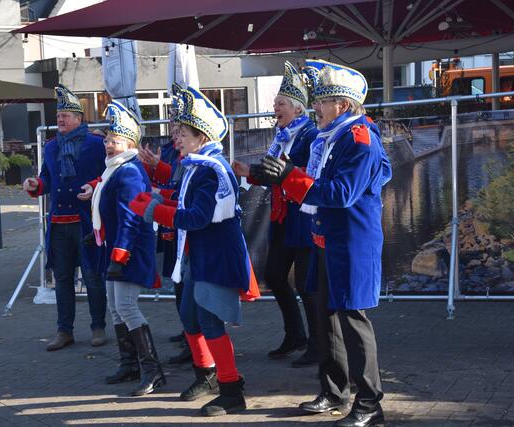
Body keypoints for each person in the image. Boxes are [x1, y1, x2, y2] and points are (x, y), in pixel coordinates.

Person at [257, 59, 392, 427]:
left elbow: (340, 193)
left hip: (351, 243)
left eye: (321, 101)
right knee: (325, 316)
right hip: (325, 239)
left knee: (353, 320)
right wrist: (285, 174)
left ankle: (370, 405)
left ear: (342, 105)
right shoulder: (332, 136)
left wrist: (289, 175)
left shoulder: (359, 139)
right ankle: (334, 392)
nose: (314, 107)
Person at [129, 86, 260, 416]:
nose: (176, 139)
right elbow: (187, 202)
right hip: (197, 255)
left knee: (209, 321)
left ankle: (231, 390)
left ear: (201, 136)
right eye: (176, 132)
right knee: (189, 317)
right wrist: (159, 199)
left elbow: (198, 217)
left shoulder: (211, 169)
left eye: (182, 134)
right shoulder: (198, 165)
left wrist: (154, 210)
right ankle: (207, 375)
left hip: (214, 257)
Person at [232, 61, 320, 366]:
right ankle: (296, 335)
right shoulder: (282, 136)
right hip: (283, 217)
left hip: (304, 216)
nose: (275, 108)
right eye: (275, 103)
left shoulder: (310, 135)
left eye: (280, 103)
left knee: (307, 284)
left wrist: (264, 172)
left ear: (297, 108)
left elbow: (307, 174)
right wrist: (250, 172)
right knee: (274, 275)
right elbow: (275, 174)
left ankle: (318, 344)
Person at [78, 100, 164, 397]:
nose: (108, 145)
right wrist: (97, 234)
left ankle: (152, 370)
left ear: (129, 144)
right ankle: (129, 364)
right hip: (115, 248)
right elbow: (111, 211)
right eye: (106, 139)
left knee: (126, 306)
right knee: (115, 308)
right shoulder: (115, 169)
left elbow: (131, 218)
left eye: (114, 140)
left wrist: (120, 254)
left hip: (129, 250)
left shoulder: (128, 171)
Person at [23, 85, 108, 351]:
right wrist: (36, 184)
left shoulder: (97, 144)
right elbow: (47, 178)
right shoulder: (50, 147)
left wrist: (95, 186)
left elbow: (110, 177)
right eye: (58, 115)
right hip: (59, 223)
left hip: (86, 222)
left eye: (65, 115)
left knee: (92, 277)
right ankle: (64, 331)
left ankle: (98, 327)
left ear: (78, 119)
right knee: (62, 279)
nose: (60, 119)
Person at [138, 84, 191, 365]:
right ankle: (188, 334)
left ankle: (195, 345)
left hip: (186, 232)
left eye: (180, 128)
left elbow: (181, 192)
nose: (174, 132)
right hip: (174, 230)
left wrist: (160, 192)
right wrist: (153, 168)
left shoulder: (203, 161)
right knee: (179, 286)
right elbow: (171, 182)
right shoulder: (172, 150)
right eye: (173, 124)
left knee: (188, 290)